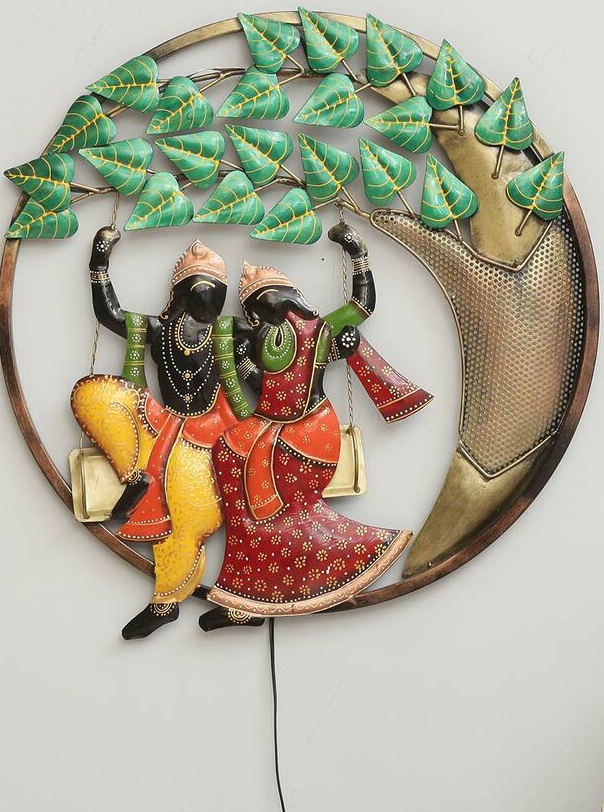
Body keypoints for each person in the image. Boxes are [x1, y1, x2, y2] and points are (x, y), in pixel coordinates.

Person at [200, 222, 413, 629]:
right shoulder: (258, 339)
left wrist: (356, 252)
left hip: (308, 429)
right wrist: (241, 360)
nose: (271, 304)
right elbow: (260, 384)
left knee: (272, 492)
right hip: (267, 426)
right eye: (260, 302)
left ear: (294, 296)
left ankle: (313, 566)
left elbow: (362, 305)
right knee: (227, 453)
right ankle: (246, 596)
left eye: (276, 295)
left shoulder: (319, 331)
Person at [71, 231, 252, 639]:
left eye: (217, 289)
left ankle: (166, 602)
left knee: (181, 515)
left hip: (212, 433)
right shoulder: (159, 329)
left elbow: (284, 338)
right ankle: (136, 476)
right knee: (94, 395)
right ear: (182, 293)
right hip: (161, 423)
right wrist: (99, 264)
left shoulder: (230, 331)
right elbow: (111, 315)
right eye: (202, 288)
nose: (210, 297)